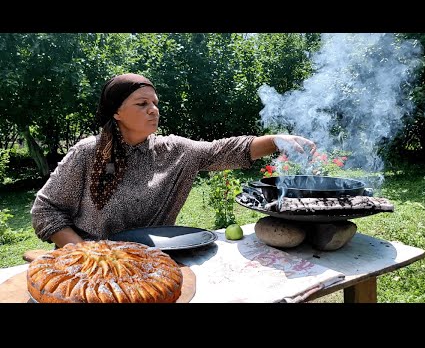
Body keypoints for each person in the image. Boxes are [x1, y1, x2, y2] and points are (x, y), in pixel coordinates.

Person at [31, 73, 316, 248]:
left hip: (153, 262)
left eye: (155, 103)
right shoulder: (88, 153)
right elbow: (45, 211)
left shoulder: (174, 152)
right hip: (91, 267)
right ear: (116, 112)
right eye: (141, 104)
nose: (153, 110)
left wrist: (275, 140)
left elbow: (223, 150)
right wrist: (81, 251)